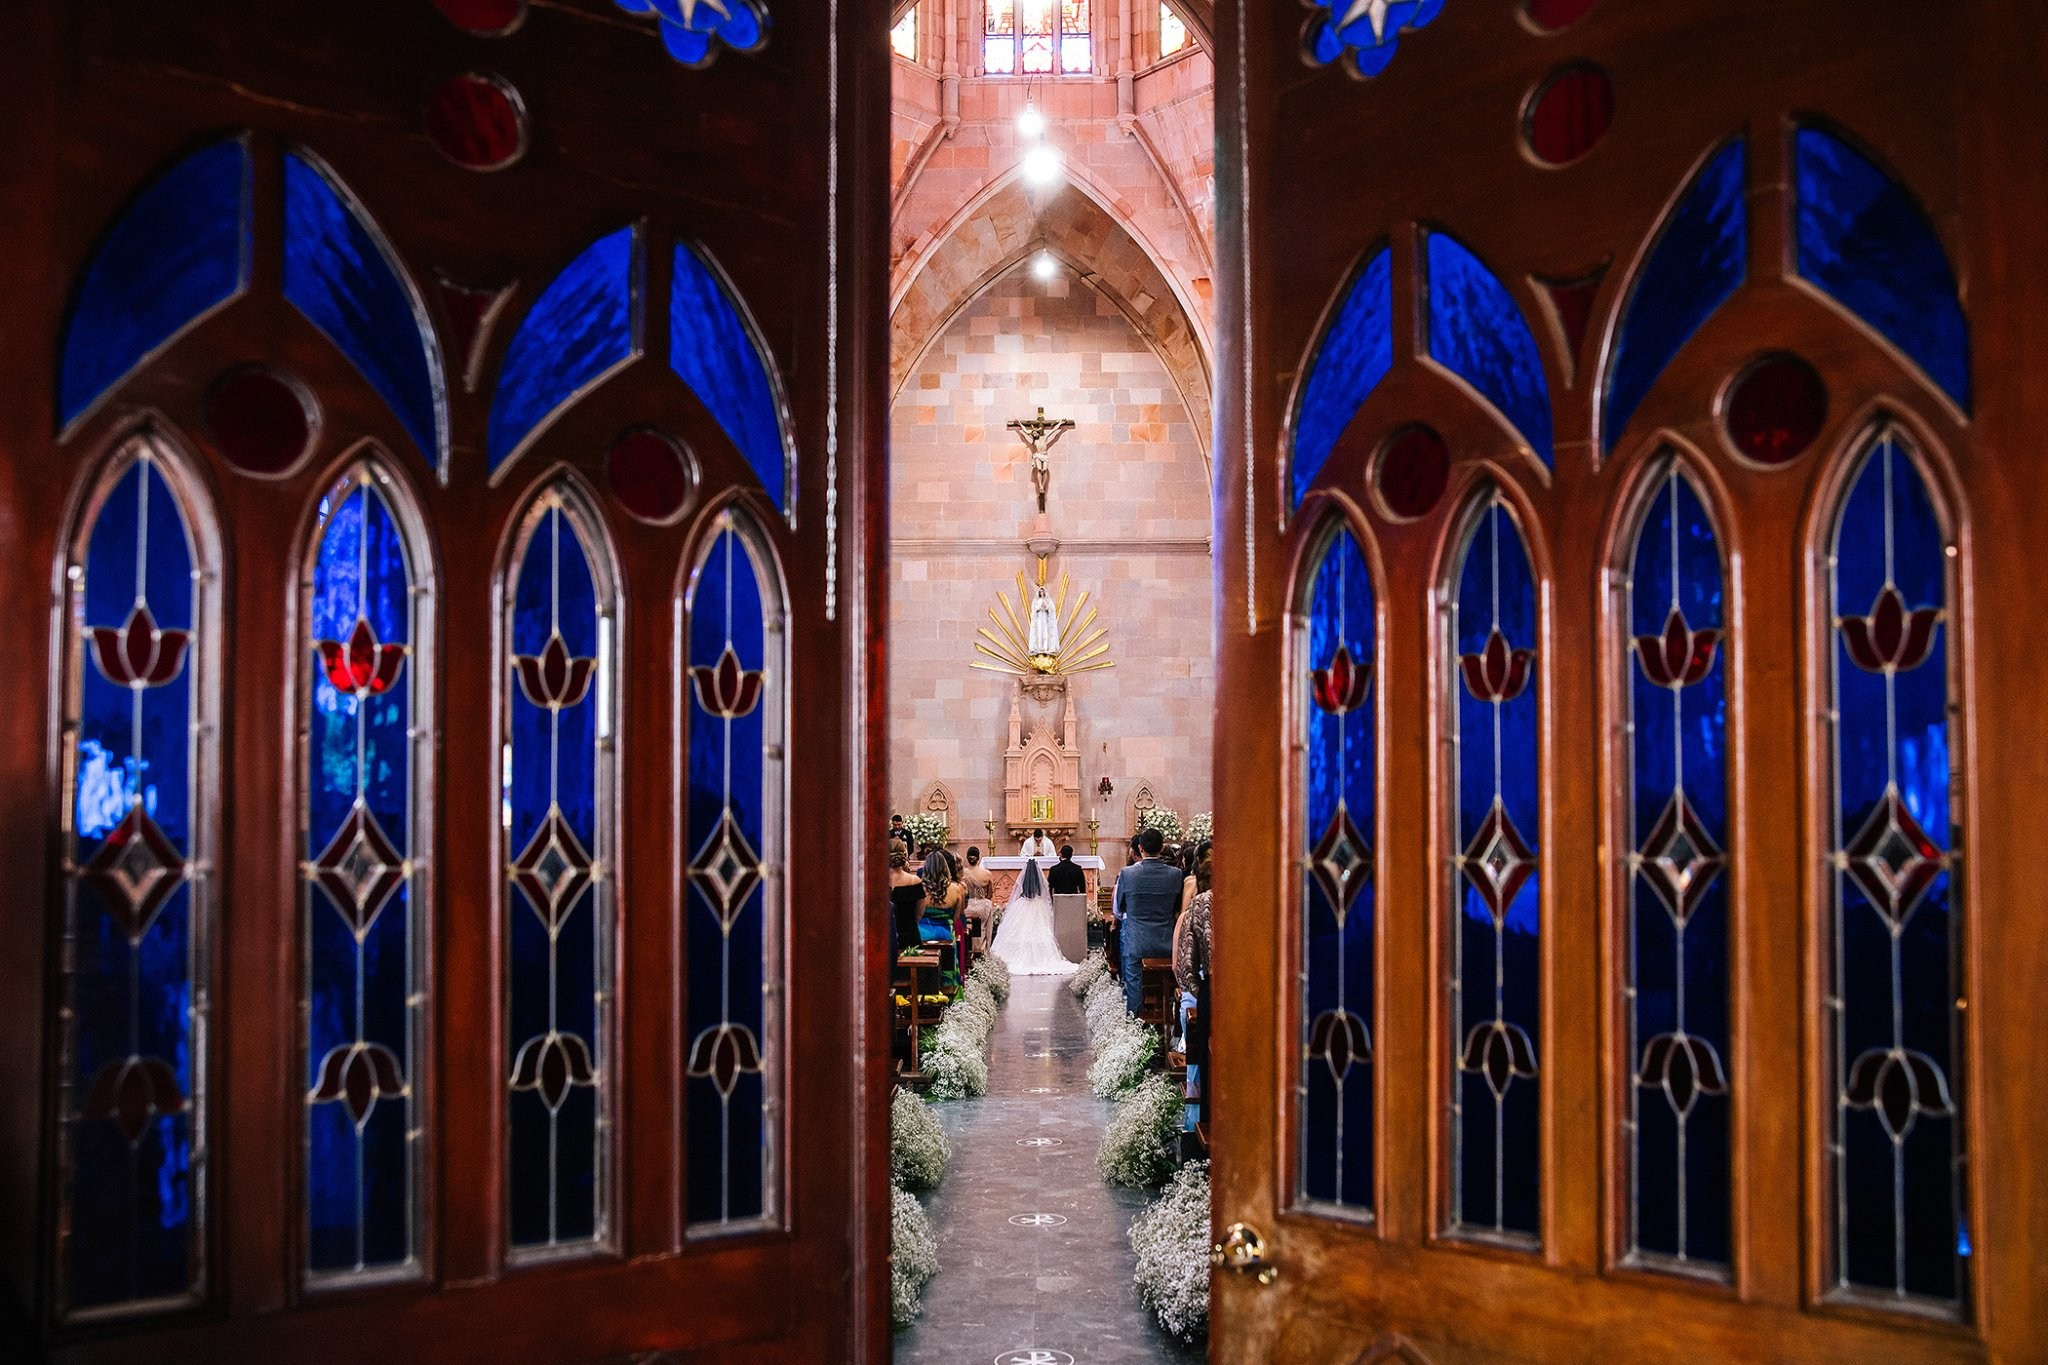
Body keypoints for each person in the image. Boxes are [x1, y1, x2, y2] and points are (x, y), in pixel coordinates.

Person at [1112, 827, 1183, 1013]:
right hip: (1166, 942)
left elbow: (1119, 908)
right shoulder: (1175, 874)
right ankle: (1167, 1014)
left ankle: (1136, 1022)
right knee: (1166, 981)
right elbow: (1178, 907)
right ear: (1162, 848)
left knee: (1134, 981)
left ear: (1140, 848)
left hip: (1137, 941)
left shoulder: (1127, 874)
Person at [988, 856, 1077, 976]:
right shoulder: (1041, 902)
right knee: (1040, 928)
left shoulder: (1019, 904)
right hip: (1037, 904)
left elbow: (1019, 890)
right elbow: (1045, 892)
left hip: (1024, 903)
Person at [919, 851, 966, 990]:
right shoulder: (956, 889)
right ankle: (948, 988)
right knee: (947, 965)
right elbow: (956, 917)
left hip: (922, 933)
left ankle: (924, 991)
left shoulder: (919, 888)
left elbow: (917, 915)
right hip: (944, 933)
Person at [888, 848, 926, 964]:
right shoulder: (914, 881)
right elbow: (920, 913)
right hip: (910, 935)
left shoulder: (877, 881)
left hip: (886, 938)